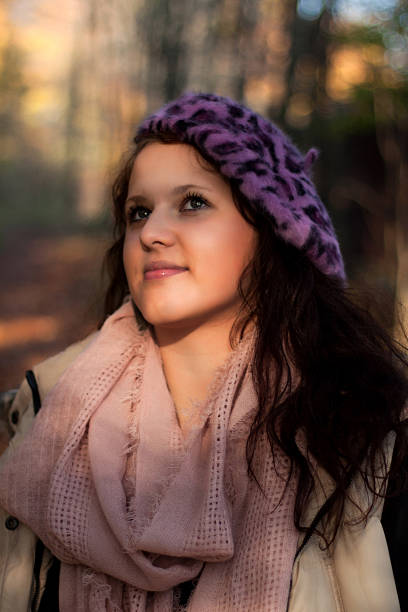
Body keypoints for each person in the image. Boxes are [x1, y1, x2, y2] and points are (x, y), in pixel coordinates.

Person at [0, 92, 407, 612]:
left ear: (274, 230)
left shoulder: (363, 436)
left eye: (192, 203)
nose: (151, 233)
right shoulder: (50, 418)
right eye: (138, 212)